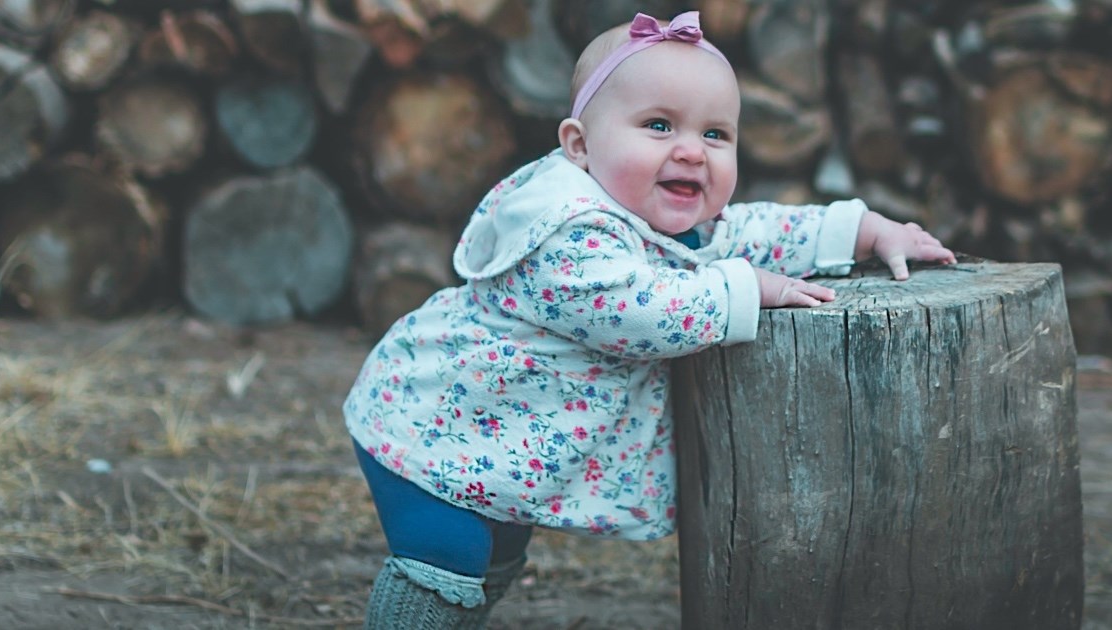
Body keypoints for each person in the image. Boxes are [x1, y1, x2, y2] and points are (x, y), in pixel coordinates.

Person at [343, 11, 956, 629]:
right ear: (579, 145)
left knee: (498, 548)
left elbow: (757, 229)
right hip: (428, 429)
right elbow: (641, 312)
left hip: (488, 439)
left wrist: (868, 231)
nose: (691, 150)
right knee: (448, 555)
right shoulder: (567, 231)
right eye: (658, 126)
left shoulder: (673, 226)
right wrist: (743, 289)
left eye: (716, 134)